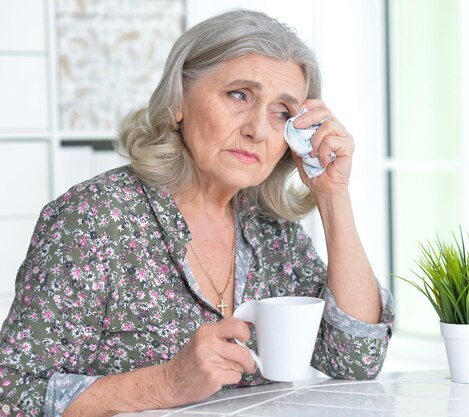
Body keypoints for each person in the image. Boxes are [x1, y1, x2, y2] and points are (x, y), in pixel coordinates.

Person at [0, 9, 394, 417]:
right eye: (239, 95)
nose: (258, 129)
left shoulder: (274, 232)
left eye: (282, 113)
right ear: (178, 103)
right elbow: (10, 393)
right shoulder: (94, 219)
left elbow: (356, 359)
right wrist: (168, 382)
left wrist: (333, 196)